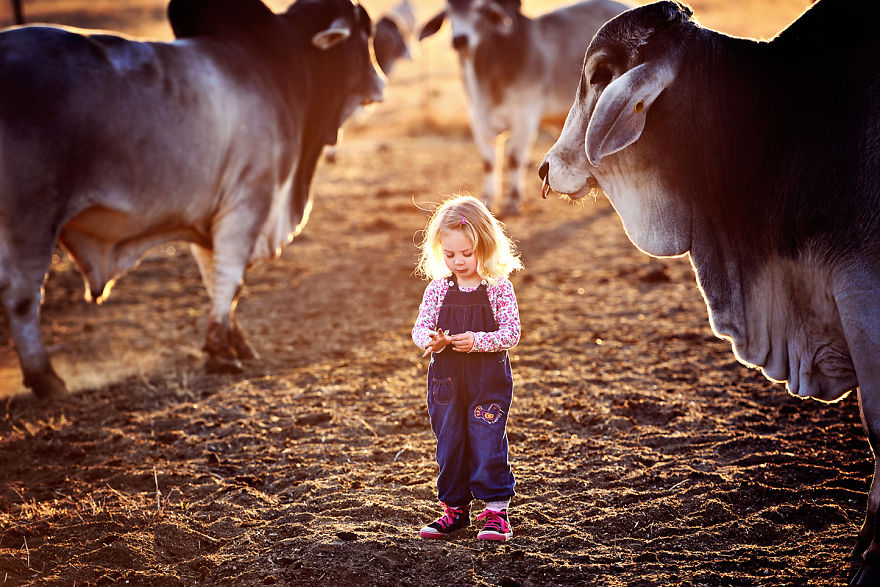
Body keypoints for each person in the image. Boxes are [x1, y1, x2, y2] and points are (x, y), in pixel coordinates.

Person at [411, 195, 523, 541]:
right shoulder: (437, 290)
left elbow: (511, 334)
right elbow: (419, 329)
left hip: (487, 382)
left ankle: (495, 512)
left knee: (487, 441)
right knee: (450, 443)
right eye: (449, 255)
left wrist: (477, 340)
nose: (458, 262)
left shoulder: (498, 288)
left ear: (486, 246)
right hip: (445, 383)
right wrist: (430, 339)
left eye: (466, 253)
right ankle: (455, 510)